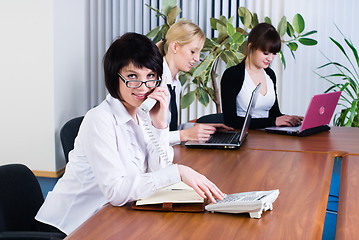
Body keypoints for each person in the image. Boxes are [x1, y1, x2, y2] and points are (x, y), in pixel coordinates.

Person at [35, 33, 224, 235]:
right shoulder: (99, 119)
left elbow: (156, 170)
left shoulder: (142, 114)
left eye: (151, 76)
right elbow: (116, 191)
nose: (143, 87)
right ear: (114, 77)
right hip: (67, 227)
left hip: (110, 217)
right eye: (132, 76)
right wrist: (178, 171)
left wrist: (160, 125)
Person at [157, 20, 233, 145]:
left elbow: (171, 129)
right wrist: (184, 134)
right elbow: (149, 139)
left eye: (199, 52)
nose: (197, 59)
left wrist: (204, 128)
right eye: (193, 51)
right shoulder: (153, 82)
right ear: (174, 46)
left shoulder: (175, 84)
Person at [221, 22, 303, 129]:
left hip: (267, 136)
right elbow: (231, 121)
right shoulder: (233, 75)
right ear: (250, 47)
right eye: (265, 53)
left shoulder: (270, 74)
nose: (270, 58)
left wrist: (289, 119)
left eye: (274, 53)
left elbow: (275, 114)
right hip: (242, 137)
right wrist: (273, 121)